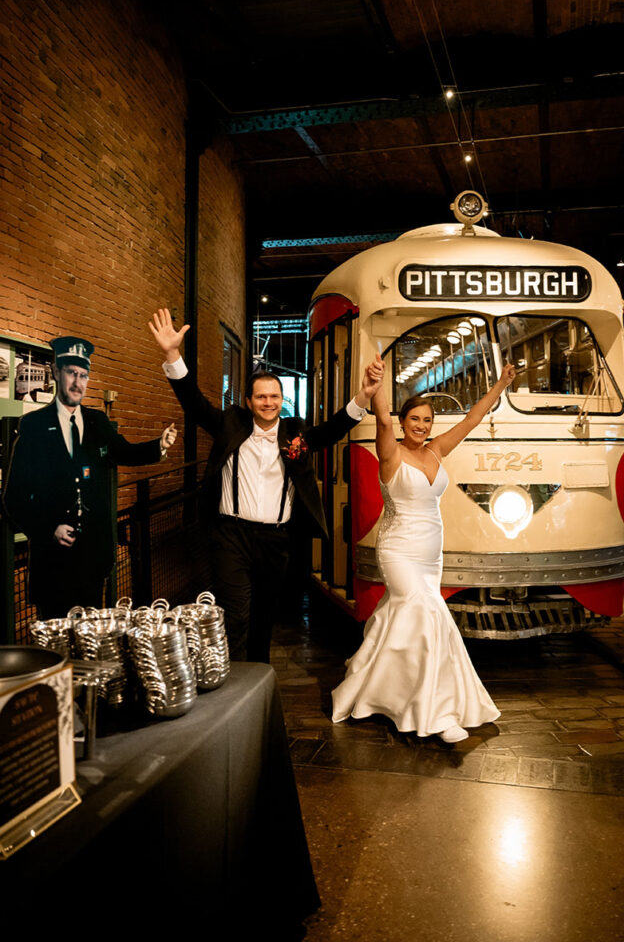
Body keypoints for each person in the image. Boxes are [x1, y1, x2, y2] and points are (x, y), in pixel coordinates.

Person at [149, 308, 383, 663]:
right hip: (231, 536)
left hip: (276, 539)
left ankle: (258, 679)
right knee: (236, 613)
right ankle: (234, 687)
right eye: (261, 397)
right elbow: (195, 405)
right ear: (248, 402)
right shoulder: (231, 424)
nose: (268, 402)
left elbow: (334, 430)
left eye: (274, 397)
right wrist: (172, 354)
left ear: (281, 400)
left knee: (264, 616)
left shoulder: (296, 433)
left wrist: (364, 395)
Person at [332, 355, 516, 743]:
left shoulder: (435, 451)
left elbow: (471, 420)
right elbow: (381, 420)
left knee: (409, 620)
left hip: (431, 553)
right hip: (398, 551)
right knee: (428, 614)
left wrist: (500, 385)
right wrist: (377, 383)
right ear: (403, 422)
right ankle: (437, 712)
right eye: (414, 419)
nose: (421, 426)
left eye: (427, 420)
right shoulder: (391, 453)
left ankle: (379, 688)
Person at [3, 336, 177, 619]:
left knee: (91, 643)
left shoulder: (97, 422)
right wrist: (49, 528)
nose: (77, 382)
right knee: (57, 643)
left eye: (83, 375)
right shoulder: (35, 425)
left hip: (92, 562)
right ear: (57, 373)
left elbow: (125, 452)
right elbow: (14, 498)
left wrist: (160, 444)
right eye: (71, 373)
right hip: (53, 565)